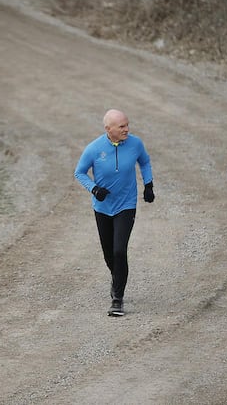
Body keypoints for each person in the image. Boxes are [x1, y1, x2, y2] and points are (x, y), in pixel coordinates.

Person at [75, 109, 154, 317]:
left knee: (119, 250)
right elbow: (79, 172)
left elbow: (145, 162)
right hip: (102, 207)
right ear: (108, 129)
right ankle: (116, 277)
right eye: (122, 126)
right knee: (109, 253)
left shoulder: (135, 144)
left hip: (126, 205)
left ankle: (117, 299)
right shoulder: (94, 149)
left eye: (127, 125)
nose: (127, 129)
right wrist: (94, 189)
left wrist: (148, 185)